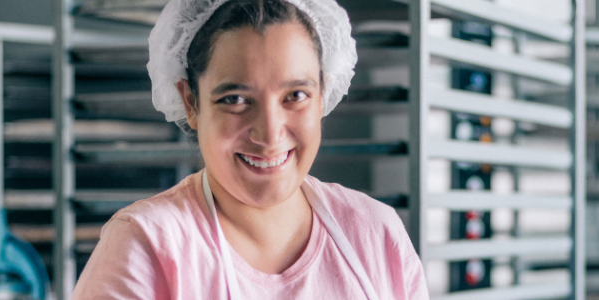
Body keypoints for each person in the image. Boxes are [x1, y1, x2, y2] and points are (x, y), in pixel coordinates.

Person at [71, 0, 428, 299]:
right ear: (191, 102)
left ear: (322, 95)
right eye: (236, 99)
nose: (269, 133)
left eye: (295, 95)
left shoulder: (376, 234)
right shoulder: (146, 245)